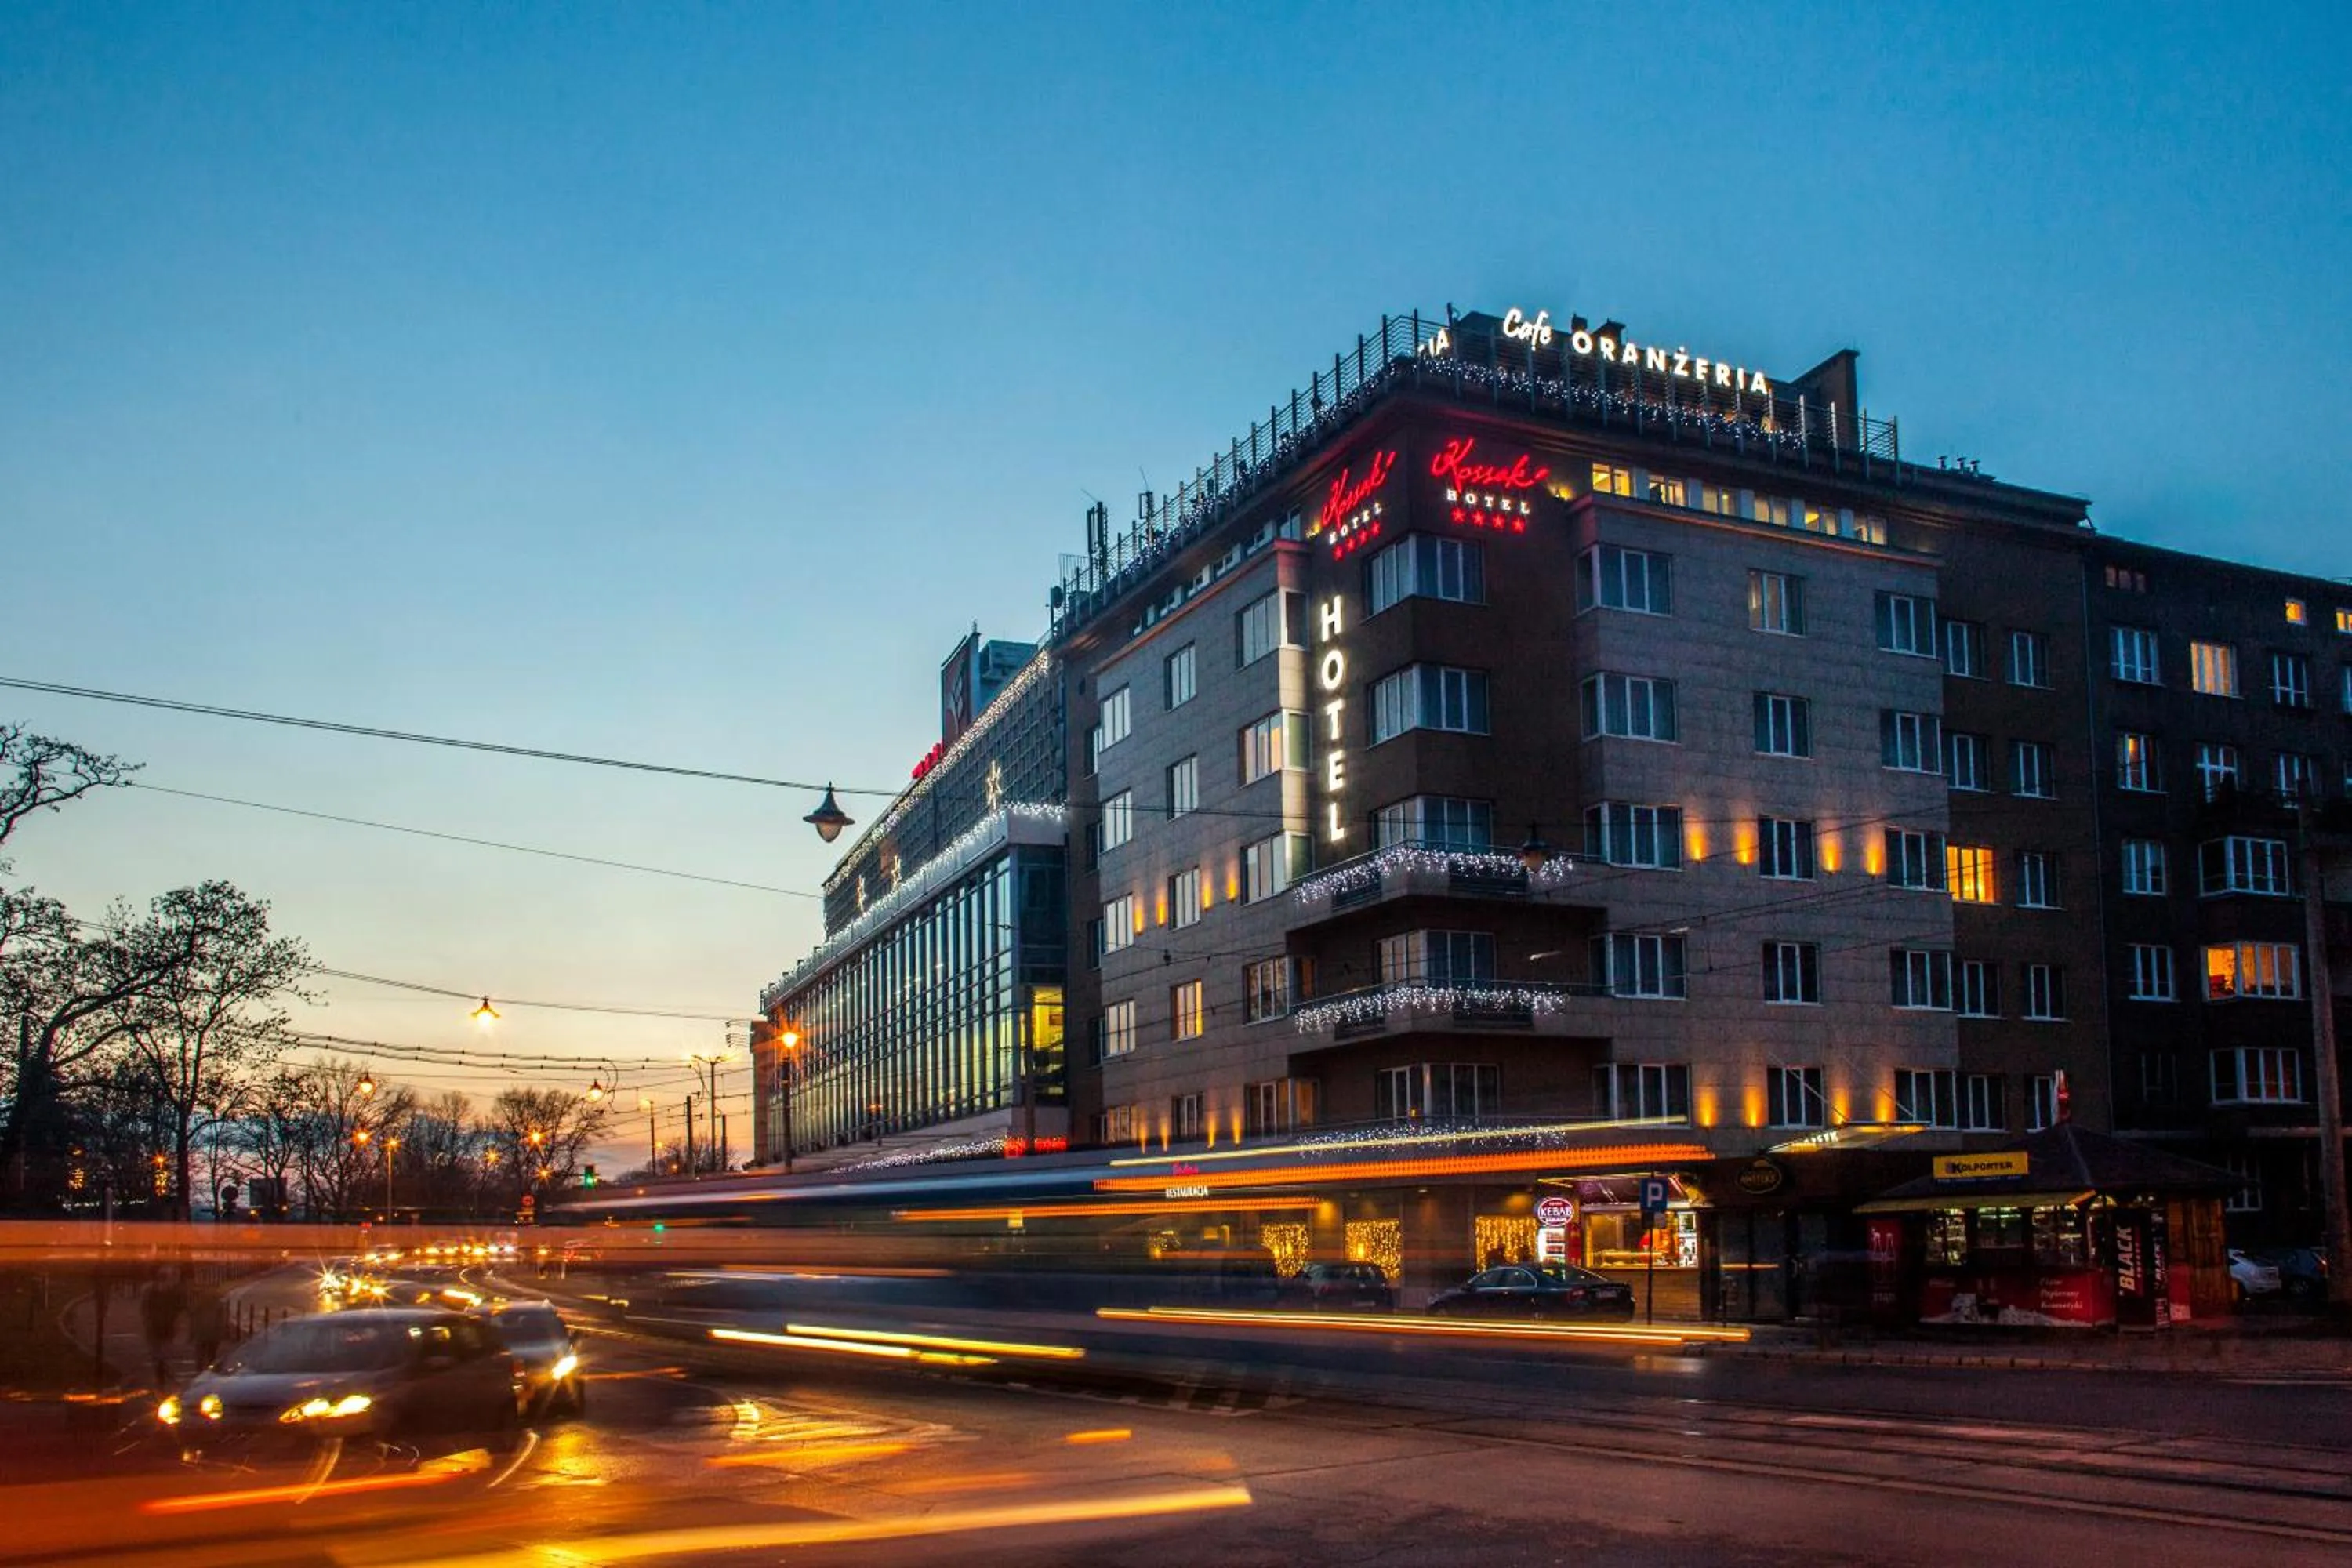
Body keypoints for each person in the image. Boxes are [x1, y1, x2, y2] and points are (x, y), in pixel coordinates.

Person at [139, 1269, 183, 1387]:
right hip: (157, 1327)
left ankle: (162, 1377)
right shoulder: (155, 1293)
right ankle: (161, 1377)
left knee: (161, 1354)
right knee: (158, 1354)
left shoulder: (167, 1293)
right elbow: (145, 1310)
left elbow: (176, 1311)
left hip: (163, 1327)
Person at [185, 1279, 225, 1371]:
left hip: (201, 1332)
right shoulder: (218, 1303)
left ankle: (200, 1372)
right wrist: (221, 1333)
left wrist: (191, 1334)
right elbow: (221, 1320)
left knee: (200, 1355)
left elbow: (192, 1316)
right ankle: (210, 1373)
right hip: (213, 1333)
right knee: (211, 1356)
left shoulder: (199, 1302)